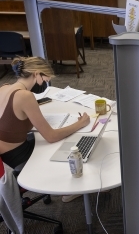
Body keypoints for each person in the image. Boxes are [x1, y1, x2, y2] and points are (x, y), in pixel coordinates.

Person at [0, 56, 90, 204]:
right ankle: (71, 189)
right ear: (36, 74)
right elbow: (51, 136)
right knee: (67, 145)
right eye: (45, 80)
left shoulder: (4, 87)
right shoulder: (25, 96)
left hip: (4, 153)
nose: (45, 84)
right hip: (14, 156)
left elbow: (14, 120)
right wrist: (80, 123)